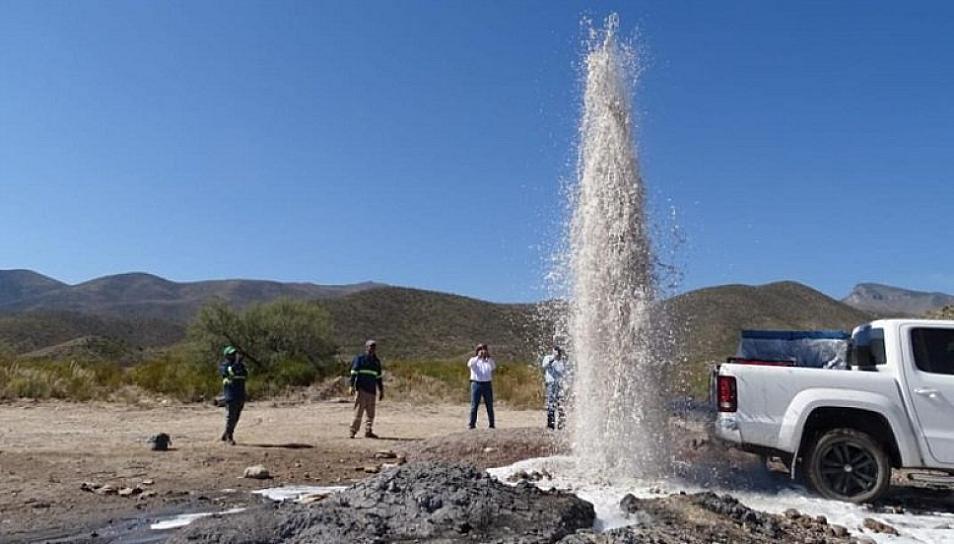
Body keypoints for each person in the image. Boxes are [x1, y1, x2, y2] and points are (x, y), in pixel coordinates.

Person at [349, 339, 384, 439]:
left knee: (371, 413)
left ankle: (368, 431)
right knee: (358, 411)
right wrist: (351, 385)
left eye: (373, 347)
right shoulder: (360, 359)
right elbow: (354, 373)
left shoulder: (376, 362)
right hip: (361, 389)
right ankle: (353, 431)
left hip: (372, 391)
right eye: (370, 346)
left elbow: (379, 378)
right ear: (366, 347)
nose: (372, 349)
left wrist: (381, 390)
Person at [219, 346, 248, 445]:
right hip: (231, 395)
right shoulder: (224, 366)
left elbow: (244, 375)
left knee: (236, 417)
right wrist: (236, 365)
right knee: (231, 417)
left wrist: (239, 364)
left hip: (240, 394)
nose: (234, 356)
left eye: (234, 354)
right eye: (231, 354)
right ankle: (229, 436)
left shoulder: (241, 366)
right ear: (227, 356)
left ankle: (226, 433)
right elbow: (229, 373)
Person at [467, 343, 496, 429]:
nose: (482, 351)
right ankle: (472, 424)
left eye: (484, 350)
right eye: (480, 349)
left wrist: (488, 357)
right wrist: (478, 357)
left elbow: (493, 367)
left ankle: (491, 424)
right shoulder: (473, 360)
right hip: (476, 383)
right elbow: (470, 364)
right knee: (474, 405)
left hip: (487, 384)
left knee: (489, 405)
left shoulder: (489, 361)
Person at [540, 345, 568, 430]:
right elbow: (544, 366)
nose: (558, 352)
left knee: (560, 403)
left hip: (559, 384)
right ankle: (550, 424)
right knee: (550, 403)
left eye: (559, 351)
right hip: (550, 383)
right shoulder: (547, 358)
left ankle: (561, 424)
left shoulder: (561, 361)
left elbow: (562, 372)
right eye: (556, 350)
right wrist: (553, 359)